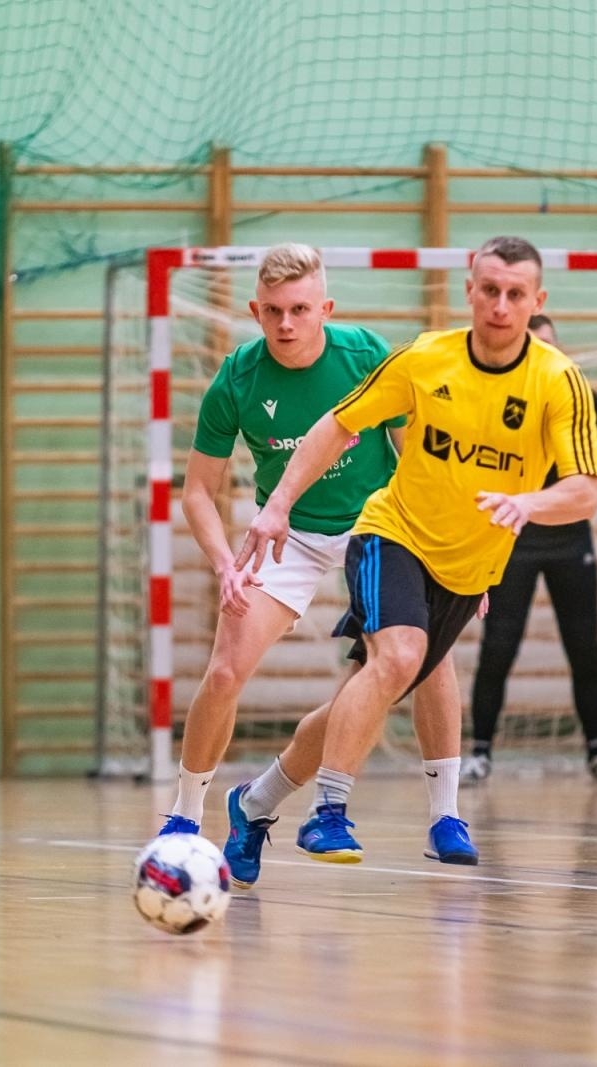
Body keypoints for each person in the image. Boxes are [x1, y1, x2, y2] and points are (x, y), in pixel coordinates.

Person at [235, 235, 597, 863]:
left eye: (516, 294)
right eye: (489, 290)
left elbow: (585, 490)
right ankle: (331, 812)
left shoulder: (559, 382)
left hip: (469, 563)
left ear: (535, 300)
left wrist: (528, 505)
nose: (500, 305)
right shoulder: (426, 359)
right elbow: (338, 423)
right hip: (392, 534)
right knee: (404, 657)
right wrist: (276, 505)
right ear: (470, 290)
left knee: (385, 684)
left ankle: (255, 801)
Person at [160, 243, 477, 886]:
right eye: (273, 310)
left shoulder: (366, 357)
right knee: (224, 670)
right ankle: (185, 817)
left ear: (324, 308)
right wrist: (225, 563)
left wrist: (448, 546)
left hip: (380, 527)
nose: (285, 323)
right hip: (289, 536)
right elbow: (198, 489)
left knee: (425, 660)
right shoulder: (239, 379)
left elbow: (423, 456)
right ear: (255, 309)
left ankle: (445, 814)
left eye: (300, 309)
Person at [462, 314, 597, 786]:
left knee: (585, 649)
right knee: (498, 647)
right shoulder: (499, 399)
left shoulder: (582, 399)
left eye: (550, 345)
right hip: (513, 539)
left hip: (570, 542)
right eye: (534, 345)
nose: (543, 353)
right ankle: (479, 752)